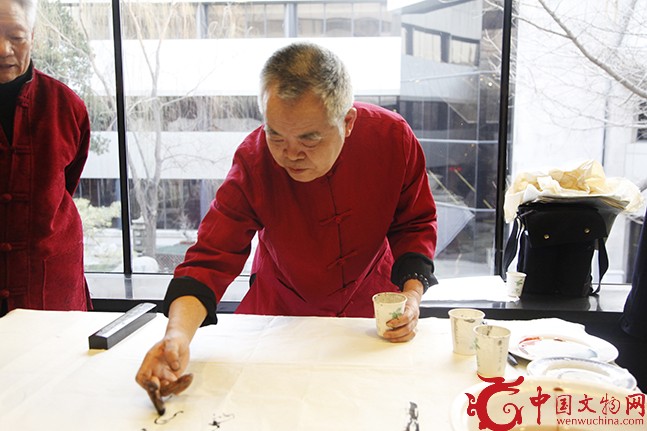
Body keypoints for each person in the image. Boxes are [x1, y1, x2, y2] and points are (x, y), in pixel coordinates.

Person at [136, 42, 437, 393]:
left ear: (348, 122)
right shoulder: (255, 160)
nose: (290, 154)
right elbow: (210, 257)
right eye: (275, 134)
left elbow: (415, 223)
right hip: (279, 312)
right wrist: (175, 337)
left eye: (310, 138)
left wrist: (411, 296)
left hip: (369, 308)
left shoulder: (392, 138)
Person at [0, 0, 91, 316]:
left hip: (50, 285)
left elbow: (66, 182)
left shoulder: (65, 105)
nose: (3, 50)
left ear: (33, 35)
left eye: (16, 36)